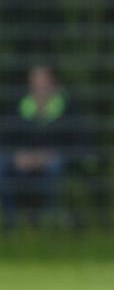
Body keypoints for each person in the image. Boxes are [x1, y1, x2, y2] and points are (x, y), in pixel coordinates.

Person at [0, 65, 70, 227]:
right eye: (35, 85)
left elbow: (77, 143)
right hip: (21, 162)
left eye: (44, 85)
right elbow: (5, 140)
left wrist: (48, 156)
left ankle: (46, 222)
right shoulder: (18, 109)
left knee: (56, 165)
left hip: (51, 162)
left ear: (54, 85)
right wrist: (17, 157)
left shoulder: (67, 109)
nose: (40, 89)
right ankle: (11, 221)